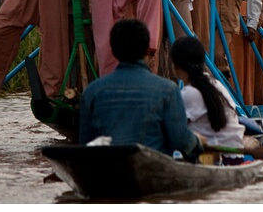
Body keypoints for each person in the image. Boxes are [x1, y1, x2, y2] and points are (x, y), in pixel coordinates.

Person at [79, 19, 205, 160]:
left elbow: (85, 145)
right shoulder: (168, 90)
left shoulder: (91, 92)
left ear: (113, 52)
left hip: (110, 169)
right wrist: (197, 142)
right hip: (154, 170)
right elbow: (180, 140)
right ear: (147, 51)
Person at [170, 36, 245, 165]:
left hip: (219, 157)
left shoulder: (189, 93)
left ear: (176, 66)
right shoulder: (216, 84)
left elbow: (174, 130)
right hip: (234, 155)